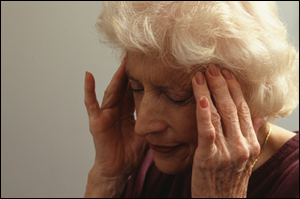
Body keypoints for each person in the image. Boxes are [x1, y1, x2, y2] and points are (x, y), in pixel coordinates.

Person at [84, 1, 299, 198]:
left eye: (176, 97)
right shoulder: (153, 162)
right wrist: (107, 180)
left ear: (249, 92)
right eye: (137, 88)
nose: (142, 126)